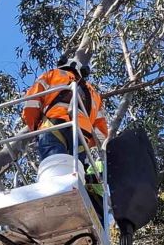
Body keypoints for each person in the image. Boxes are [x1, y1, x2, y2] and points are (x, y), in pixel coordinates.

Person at [22, 52, 109, 211]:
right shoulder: (94, 94)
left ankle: (54, 204)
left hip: (54, 127)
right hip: (81, 137)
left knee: (54, 168)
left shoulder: (52, 75)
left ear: (63, 64)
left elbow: (31, 104)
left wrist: (35, 127)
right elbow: (102, 134)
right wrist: (87, 142)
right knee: (76, 172)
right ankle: (79, 206)